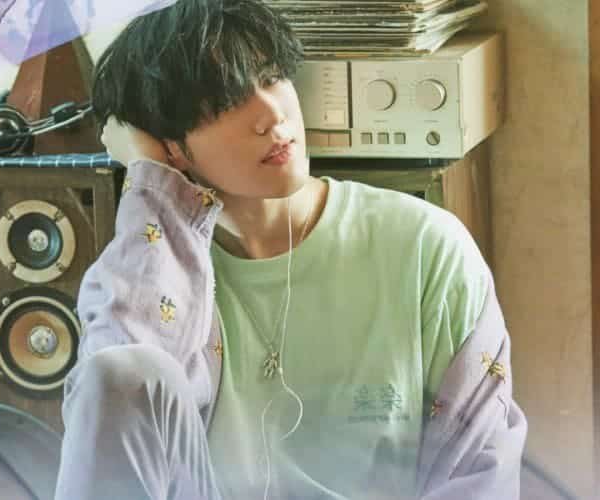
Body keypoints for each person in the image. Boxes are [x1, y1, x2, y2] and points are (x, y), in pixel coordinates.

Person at [54, 1, 527, 499]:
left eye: (272, 77)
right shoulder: (151, 275)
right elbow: (120, 407)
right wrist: (151, 183)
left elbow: (477, 468)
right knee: (120, 371)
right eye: (226, 101)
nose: (271, 114)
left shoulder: (425, 247)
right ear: (171, 147)